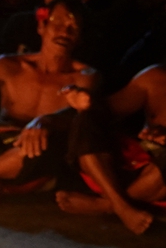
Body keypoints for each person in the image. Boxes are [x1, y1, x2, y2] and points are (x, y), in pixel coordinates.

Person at [0, 0, 149, 233]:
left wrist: (45, 120)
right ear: (42, 26)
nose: (65, 31)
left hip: (31, 153)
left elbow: (81, 118)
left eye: (73, 28)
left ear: (79, 37)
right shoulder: (9, 65)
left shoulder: (85, 75)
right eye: (59, 24)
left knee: (40, 148)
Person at [56, 65, 165, 227]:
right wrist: (80, 98)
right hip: (141, 166)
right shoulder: (155, 78)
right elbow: (103, 109)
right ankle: (121, 206)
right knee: (86, 120)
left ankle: (104, 205)